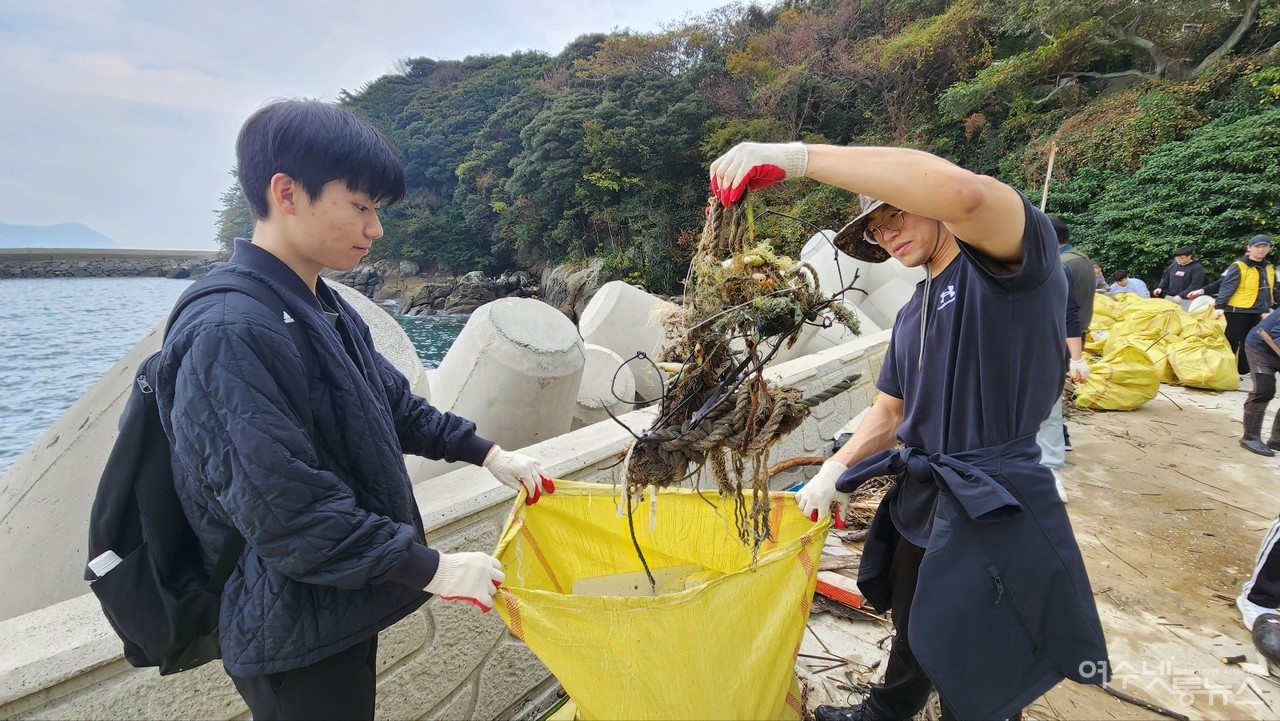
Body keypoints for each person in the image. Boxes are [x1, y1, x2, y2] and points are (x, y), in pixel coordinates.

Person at [156, 100, 553, 720]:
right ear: (287, 193)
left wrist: (489, 454)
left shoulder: (317, 301)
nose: (376, 229)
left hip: (332, 601)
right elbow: (284, 508)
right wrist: (432, 568)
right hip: (287, 625)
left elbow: (389, 404)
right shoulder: (229, 331)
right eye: (361, 207)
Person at [710, 142, 1108, 721]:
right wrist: (835, 470)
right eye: (875, 227)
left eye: (896, 211)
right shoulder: (911, 312)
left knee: (983, 643)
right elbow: (890, 412)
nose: (886, 232)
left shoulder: (1008, 264)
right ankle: (887, 711)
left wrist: (798, 159)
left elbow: (965, 195)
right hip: (923, 491)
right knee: (916, 613)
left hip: (992, 496)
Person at [1036, 216, 1090, 500]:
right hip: (1005, 348)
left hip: (1046, 348)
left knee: (1049, 412)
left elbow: (1069, 313)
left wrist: (1076, 358)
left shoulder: (1056, 268)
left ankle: (1049, 471)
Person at [1188, 234, 1276, 377]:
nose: (1261, 250)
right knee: (1231, 341)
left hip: (1259, 311)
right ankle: (1225, 369)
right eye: (1257, 247)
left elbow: (1273, 289)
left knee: (1252, 341)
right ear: (1249, 248)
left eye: (1264, 247)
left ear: (1269, 249)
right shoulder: (1239, 266)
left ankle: (1243, 370)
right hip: (1237, 310)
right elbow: (1225, 286)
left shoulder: (1269, 267)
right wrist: (1219, 306)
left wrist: (1272, 308)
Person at [1239, 304, 1280, 455]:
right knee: (1265, 389)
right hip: (1261, 347)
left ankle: (1277, 440)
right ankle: (1250, 437)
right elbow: (1276, 334)